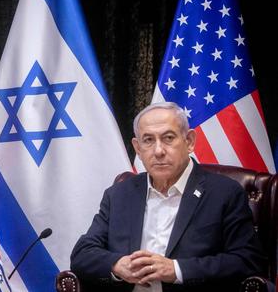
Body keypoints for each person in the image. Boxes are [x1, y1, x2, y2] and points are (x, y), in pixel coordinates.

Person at [70, 101, 266, 292]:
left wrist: (176, 270)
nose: (158, 151)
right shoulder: (119, 194)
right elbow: (82, 253)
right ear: (138, 148)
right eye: (148, 140)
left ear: (189, 141)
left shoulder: (224, 193)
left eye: (168, 138)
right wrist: (117, 265)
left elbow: (247, 260)